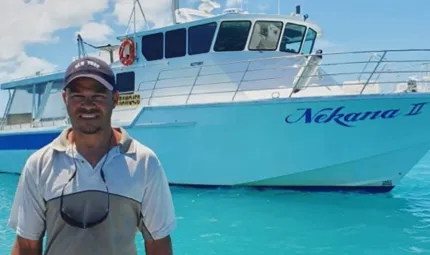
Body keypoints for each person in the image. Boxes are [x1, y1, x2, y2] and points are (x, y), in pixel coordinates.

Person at [8, 56, 177, 255]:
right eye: (78, 95)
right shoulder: (39, 165)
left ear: (115, 99)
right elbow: (26, 245)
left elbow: (158, 244)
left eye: (98, 96)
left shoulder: (144, 163)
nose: (87, 104)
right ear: (65, 99)